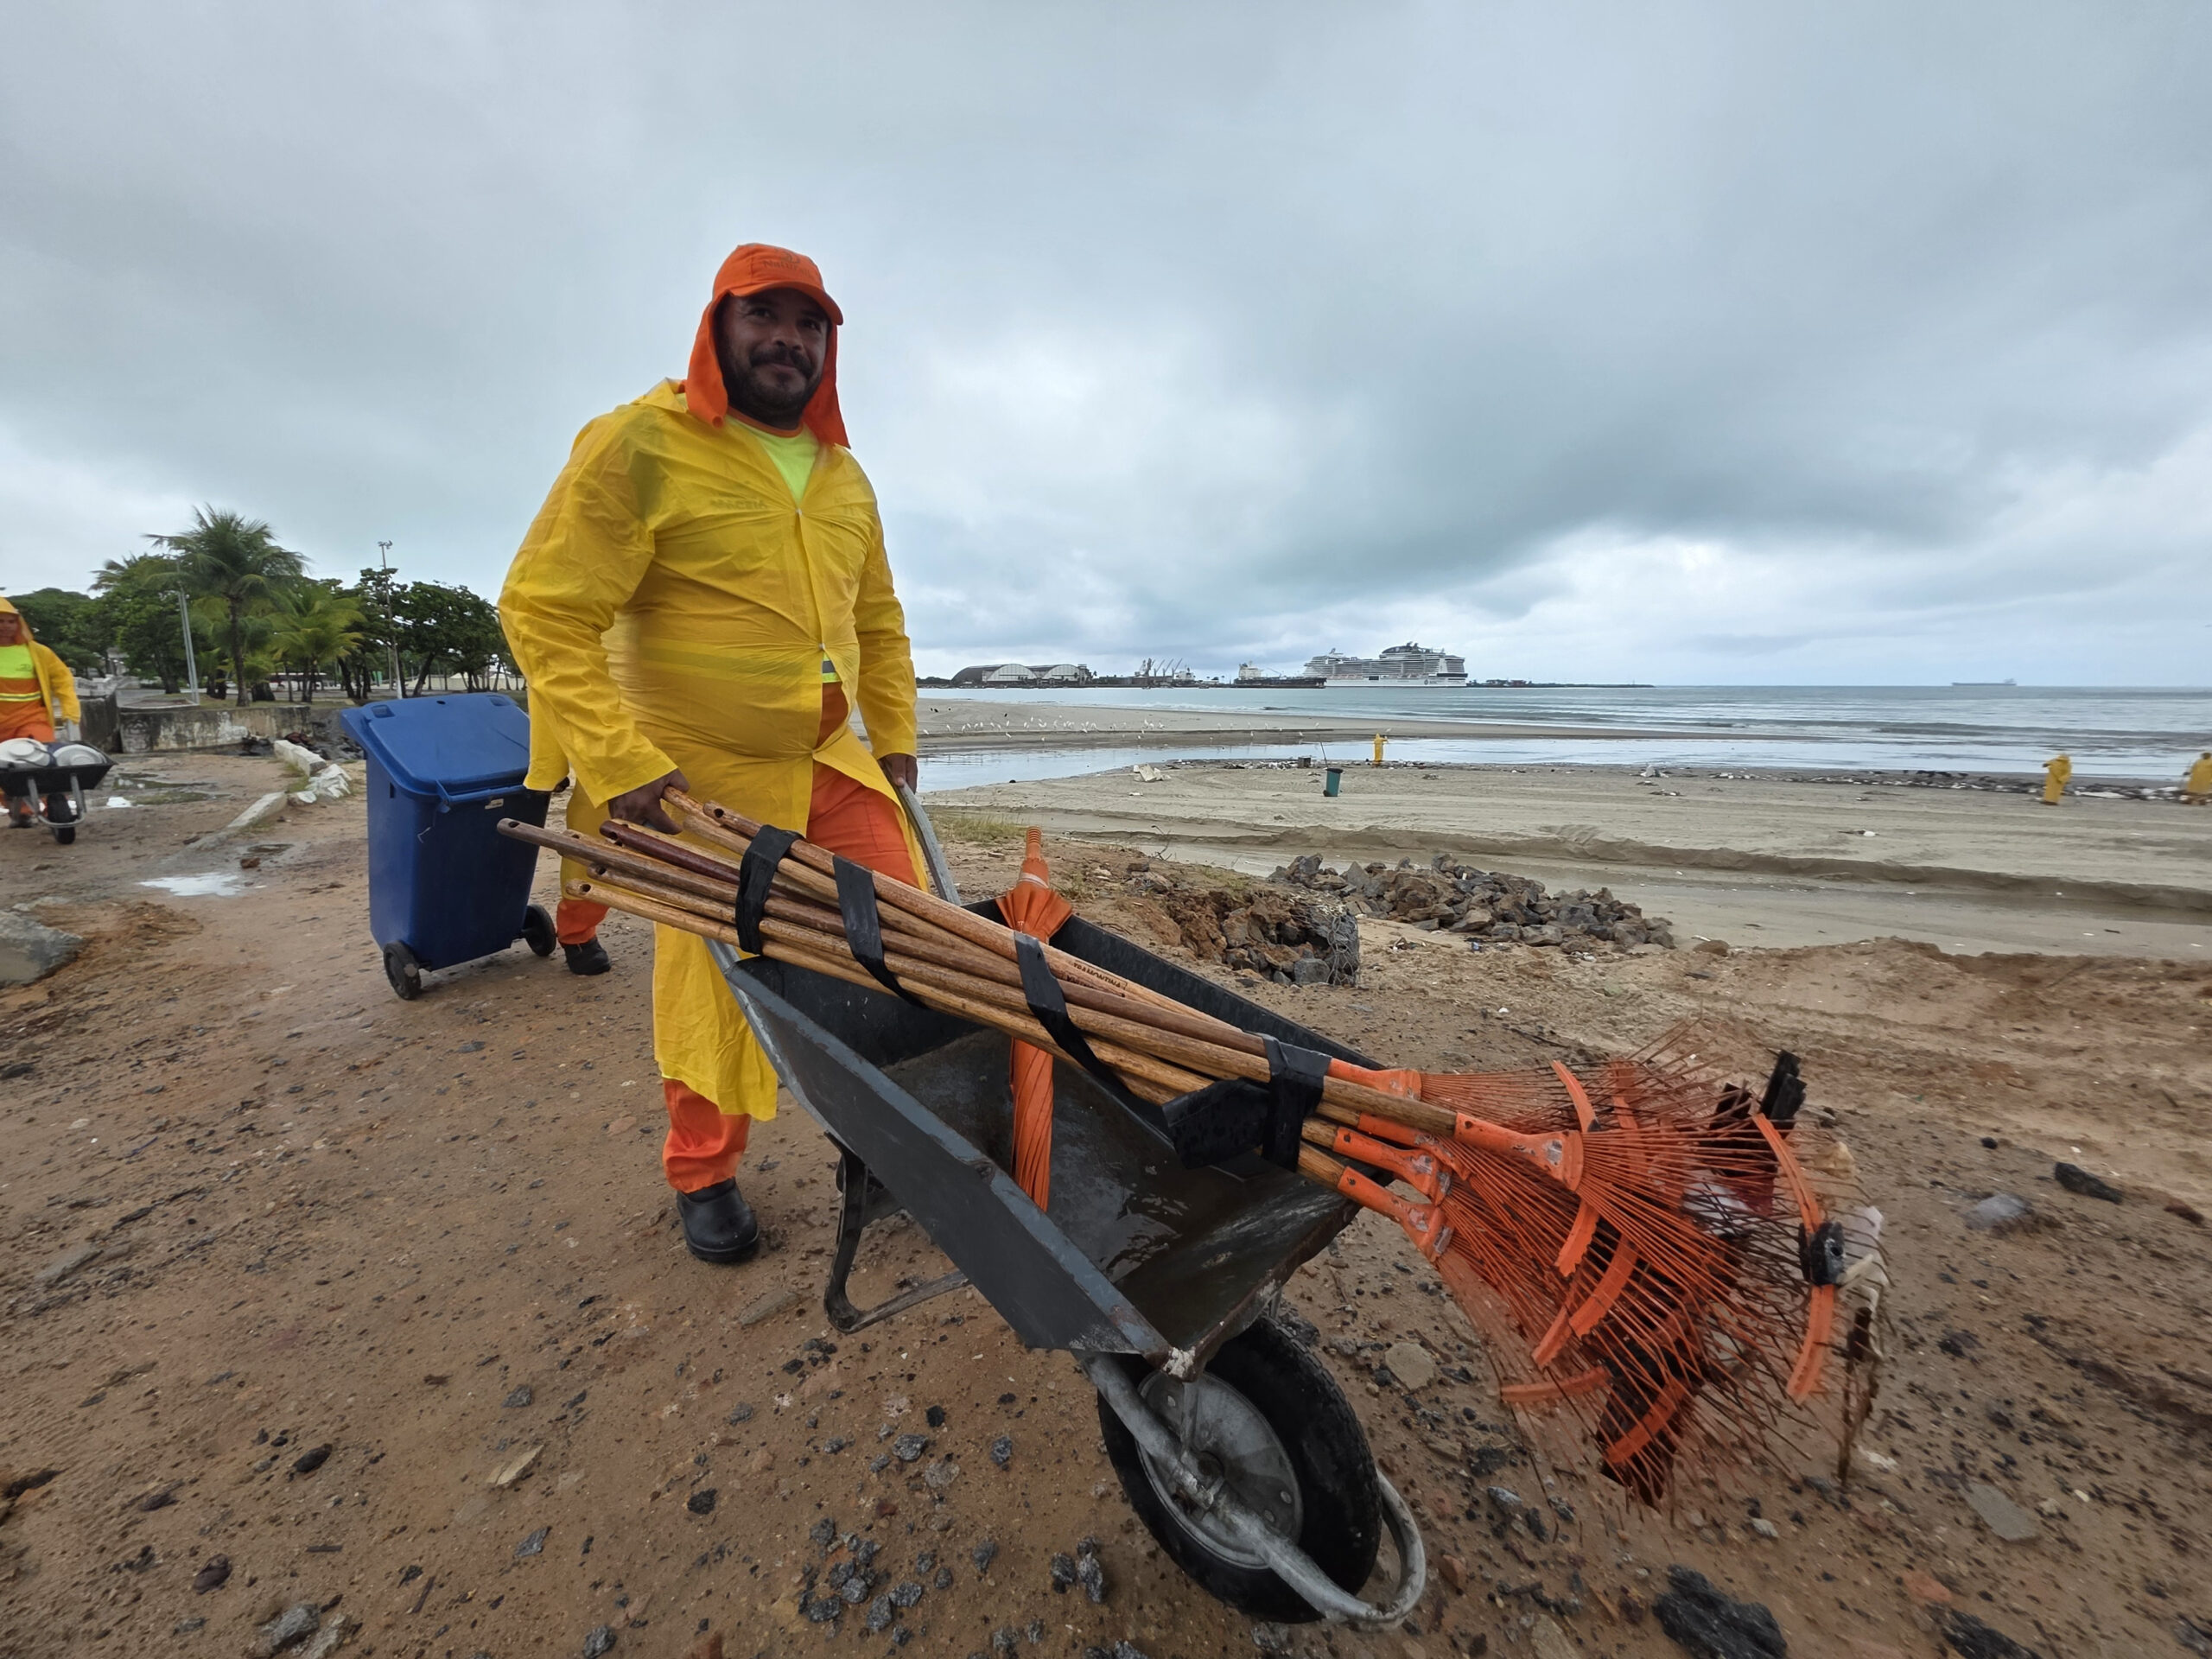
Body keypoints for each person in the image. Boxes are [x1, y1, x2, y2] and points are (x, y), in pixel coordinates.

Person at [500, 244, 923, 1267]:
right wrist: (619, 762)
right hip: (700, 781)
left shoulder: (843, 474)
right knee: (716, 978)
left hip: (832, 762)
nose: (787, 337)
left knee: (903, 954)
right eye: (761, 315)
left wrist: (896, 737)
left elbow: (880, 614)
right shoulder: (639, 443)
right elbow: (545, 610)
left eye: (808, 321)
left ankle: (880, 1143)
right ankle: (704, 1171)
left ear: (830, 346)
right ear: (715, 329)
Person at [0, 596, 82, 830]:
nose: (5, 626)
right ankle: (20, 811)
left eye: (10, 621)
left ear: (19, 624)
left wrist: (70, 711)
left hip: (30, 717)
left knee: (45, 759)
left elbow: (62, 679)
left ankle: (56, 805)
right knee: (5, 770)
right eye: (0, 621)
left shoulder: (37, 652)